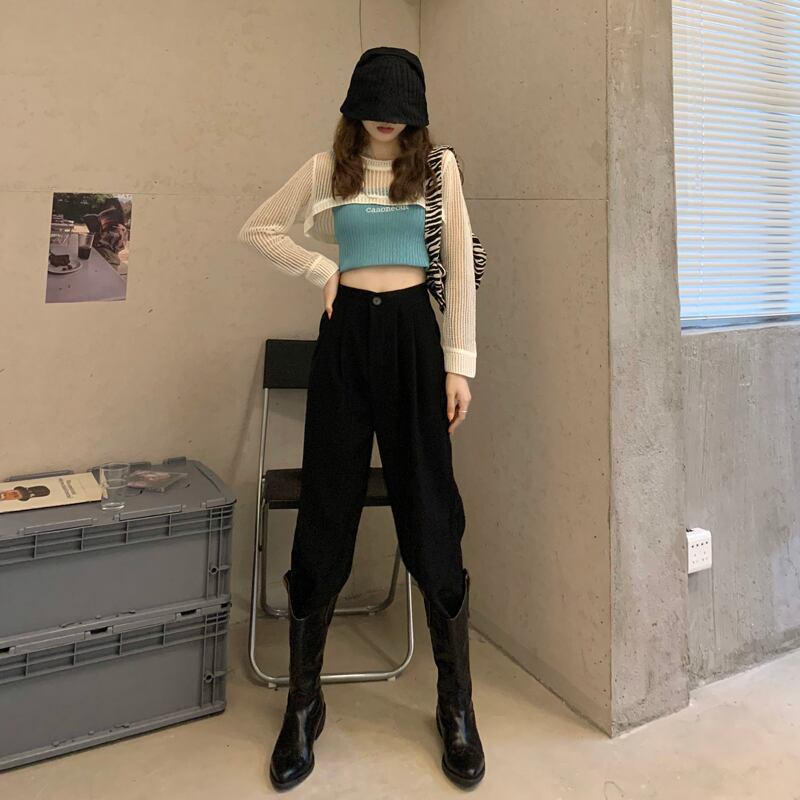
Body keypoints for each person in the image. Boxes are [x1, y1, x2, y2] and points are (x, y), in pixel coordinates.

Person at [237, 46, 485, 791]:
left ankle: (456, 704)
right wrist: (324, 270)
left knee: (430, 508)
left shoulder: (437, 169)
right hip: (345, 340)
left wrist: (459, 363)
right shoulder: (327, 169)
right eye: (373, 105)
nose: (385, 119)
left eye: (398, 108)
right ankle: (303, 705)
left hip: (414, 339)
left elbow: (458, 265)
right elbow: (259, 228)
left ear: (416, 113)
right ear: (354, 106)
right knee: (326, 505)